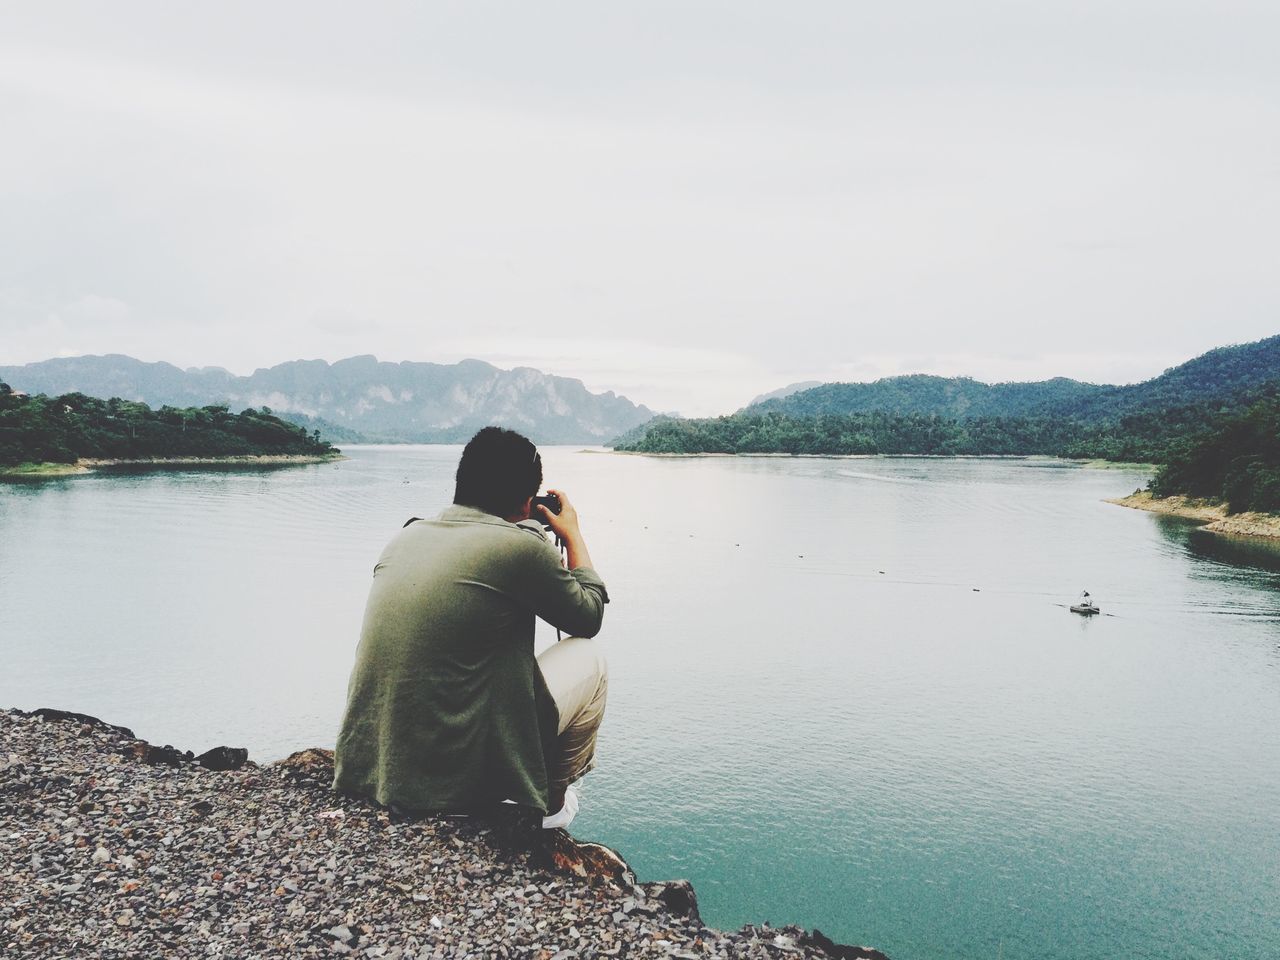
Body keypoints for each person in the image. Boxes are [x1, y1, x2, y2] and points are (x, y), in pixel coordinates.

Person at [332, 426, 608, 829]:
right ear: (529, 500)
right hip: (450, 788)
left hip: (372, 771)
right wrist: (572, 534)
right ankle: (546, 803)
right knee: (591, 661)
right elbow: (589, 616)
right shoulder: (521, 547)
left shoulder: (406, 537)